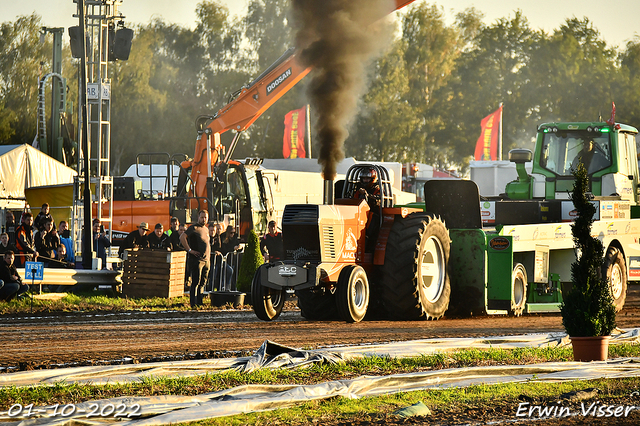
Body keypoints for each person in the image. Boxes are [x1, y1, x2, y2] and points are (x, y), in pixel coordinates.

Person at [180, 210, 211, 307]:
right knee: (195, 282)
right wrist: (189, 250)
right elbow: (182, 237)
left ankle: (200, 301)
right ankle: (193, 303)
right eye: (202, 217)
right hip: (197, 259)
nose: (203, 219)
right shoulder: (193, 228)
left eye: (205, 217)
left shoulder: (206, 229)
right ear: (198, 217)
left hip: (206, 259)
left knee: (203, 282)